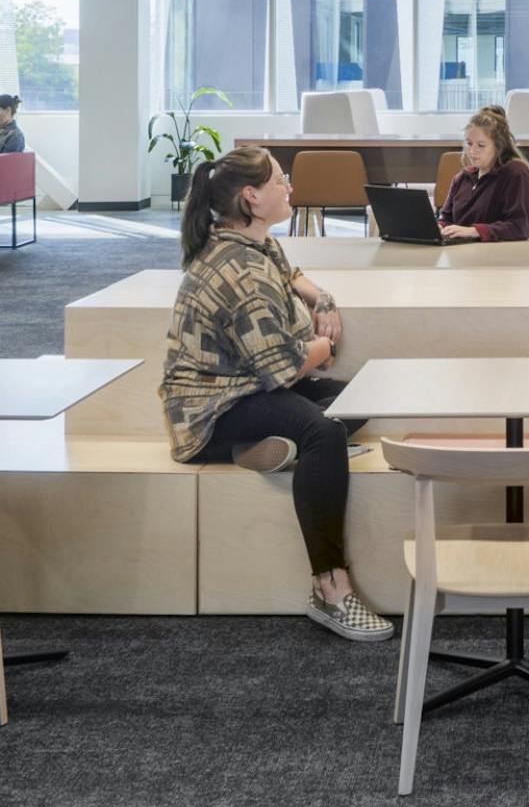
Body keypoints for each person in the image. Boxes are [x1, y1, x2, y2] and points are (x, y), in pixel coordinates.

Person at [160, 147, 391, 642]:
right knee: (325, 435)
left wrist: (322, 300)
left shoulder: (252, 243)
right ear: (252, 197)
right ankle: (331, 590)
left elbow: (291, 275)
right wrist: (323, 342)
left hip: (245, 387)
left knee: (357, 398)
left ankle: (269, 451)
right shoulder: (241, 271)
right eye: (281, 182)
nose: (290, 188)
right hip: (211, 410)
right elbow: (283, 366)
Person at [437, 104, 529, 241]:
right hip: (465, 254)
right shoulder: (462, 178)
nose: (472, 151)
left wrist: (474, 231)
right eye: (469, 143)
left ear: (498, 146)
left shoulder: (516, 174)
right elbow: (447, 218)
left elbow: (519, 227)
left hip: (506, 256)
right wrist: (439, 226)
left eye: (481, 145)